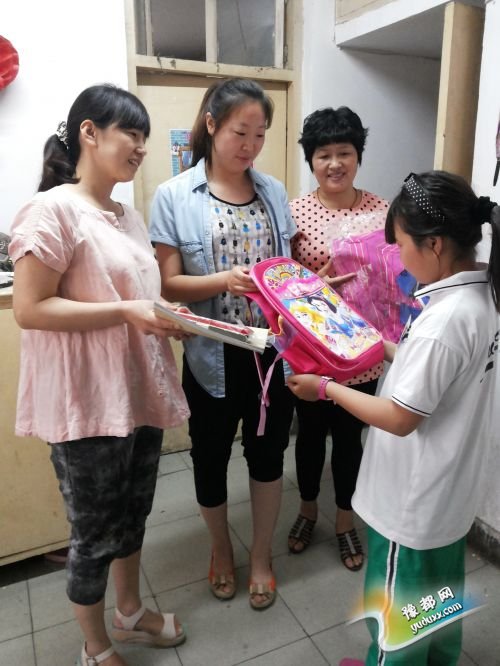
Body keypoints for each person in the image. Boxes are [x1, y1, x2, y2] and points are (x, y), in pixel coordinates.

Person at [9, 84, 190, 666]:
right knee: (94, 533)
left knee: (133, 515)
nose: (141, 146)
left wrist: (166, 315)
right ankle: (95, 646)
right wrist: (127, 311)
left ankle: (129, 613)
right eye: (129, 133)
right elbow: (31, 308)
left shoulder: (126, 215)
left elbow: (136, 296)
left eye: (144, 136)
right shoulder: (52, 210)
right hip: (87, 402)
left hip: (137, 391)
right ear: (89, 132)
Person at [288, 170, 500, 665]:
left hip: (412, 503)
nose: (398, 257)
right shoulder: (482, 297)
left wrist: (325, 388)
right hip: (449, 495)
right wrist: (372, 343)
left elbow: (401, 417)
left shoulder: (444, 321)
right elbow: (433, 372)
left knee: (397, 621)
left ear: (435, 244)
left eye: (401, 244)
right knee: (438, 601)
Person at [149, 78, 296, 610]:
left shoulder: (273, 191)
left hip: (271, 354)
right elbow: (168, 284)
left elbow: (286, 271)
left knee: (268, 455)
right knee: (209, 459)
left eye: (260, 134)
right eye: (240, 131)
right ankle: (219, 549)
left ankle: (260, 555)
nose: (250, 145)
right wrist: (223, 282)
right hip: (211, 354)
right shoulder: (173, 196)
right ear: (211, 124)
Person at [287, 107, 389, 570]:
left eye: (344, 152)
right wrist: (315, 287)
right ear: (311, 160)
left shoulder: (383, 212)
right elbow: (283, 285)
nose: (334, 163)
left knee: (350, 439)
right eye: (323, 154)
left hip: (364, 350)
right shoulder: (294, 213)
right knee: (309, 436)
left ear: (358, 156)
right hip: (311, 349)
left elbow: (397, 276)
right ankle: (308, 510)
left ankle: (345, 520)